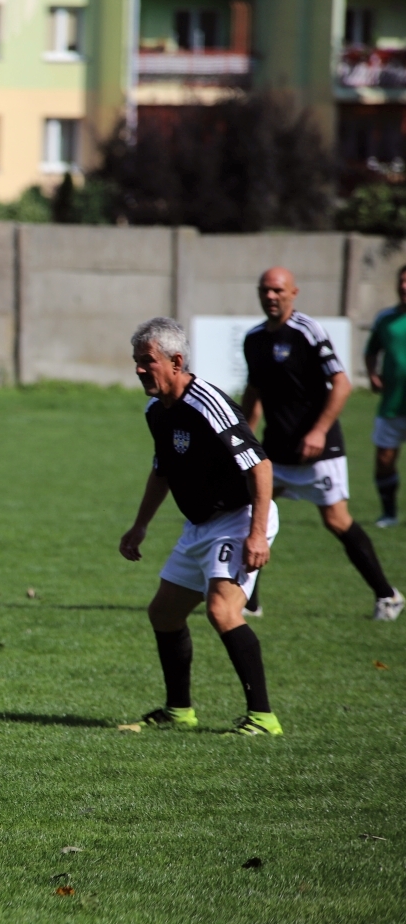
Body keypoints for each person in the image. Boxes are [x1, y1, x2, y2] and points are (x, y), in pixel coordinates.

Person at [119, 317, 283, 736]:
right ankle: (179, 710)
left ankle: (263, 718)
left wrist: (257, 533)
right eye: (136, 361)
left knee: (222, 610)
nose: (139, 369)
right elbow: (162, 471)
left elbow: (260, 466)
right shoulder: (156, 410)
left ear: (175, 361)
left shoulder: (208, 403)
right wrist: (140, 526)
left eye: (147, 361)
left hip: (239, 517)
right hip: (200, 524)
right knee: (164, 612)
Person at [241, 267, 401, 621]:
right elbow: (254, 395)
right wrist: (241, 444)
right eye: (265, 290)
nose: (271, 296)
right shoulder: (253, 339)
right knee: (252, 514)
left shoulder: (307, 332)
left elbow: (341, 384)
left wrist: (318, 431)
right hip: (276, 450)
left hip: (319, 449)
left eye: (278, 290)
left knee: (336, 520)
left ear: (293, 293)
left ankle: (388, 595)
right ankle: (250, 602)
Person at [366, 264, 406, 531]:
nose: (404, 286)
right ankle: (389, 513)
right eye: (401, 281)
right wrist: (372, 373)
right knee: (384, 460)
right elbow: (371, 351)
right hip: (392, 403)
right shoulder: (386, 319)